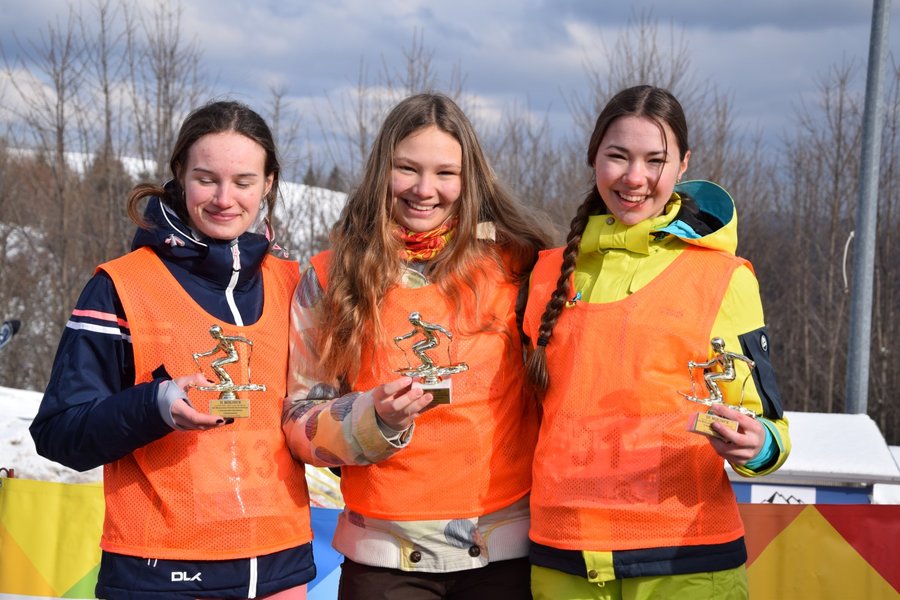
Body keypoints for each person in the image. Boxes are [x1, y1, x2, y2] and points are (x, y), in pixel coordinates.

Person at [30, 101, 314, 599]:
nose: (224, 198)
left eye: (244, 182)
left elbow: (316, 417)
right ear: (180, 174)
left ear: (268, 183)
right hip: (161, 575)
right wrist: (152, 406)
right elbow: (59, 434)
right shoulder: (121, 285)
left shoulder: (293, 284)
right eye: (207, 179)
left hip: (278, 570)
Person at [521, 85, 791, 600]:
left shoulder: (724, 277)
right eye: (618, 156)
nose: (634, 177)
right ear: (593, 157)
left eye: (655, 160)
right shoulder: (544, 275)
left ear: (683, 164)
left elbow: (769, 429)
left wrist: (756, 445)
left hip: (686, 559)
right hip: (562, 554)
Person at [282, 92, 552, 599]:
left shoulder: (520, 264)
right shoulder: (330, 277)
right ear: (381, 170)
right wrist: (373, 420)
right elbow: (299, 422)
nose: (425, 190)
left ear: (470, 179)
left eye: (445, 173)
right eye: (407, 169)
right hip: (384, 559)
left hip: (504, 554)